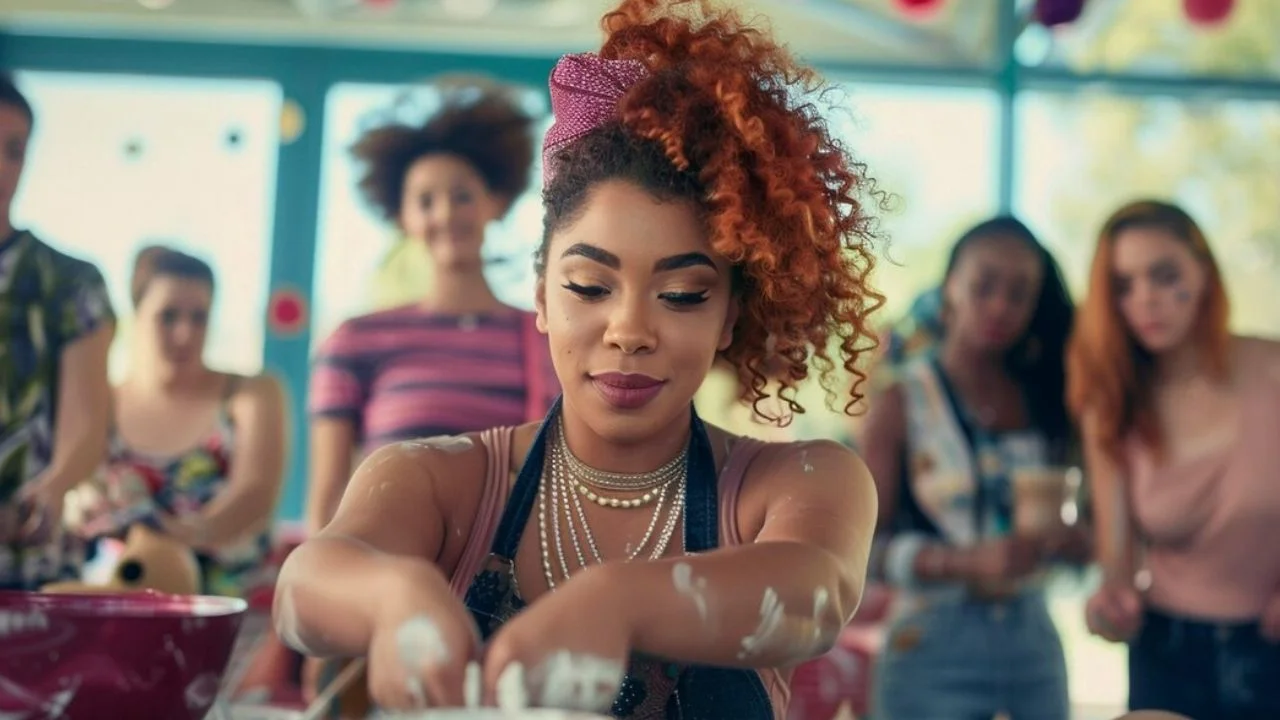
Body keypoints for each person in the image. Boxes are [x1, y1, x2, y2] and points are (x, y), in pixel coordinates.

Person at [273, 0, 882, 715]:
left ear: (731, 317)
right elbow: (303, 589)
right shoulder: (439, 482)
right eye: (590, 286)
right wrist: (392, 596)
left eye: (683, 294)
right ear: (540, 297)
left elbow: (815, 593)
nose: (629, 329)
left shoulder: (791, 484)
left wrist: (618, 600)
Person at [306, 78, 559, 536]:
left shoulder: (550, 337)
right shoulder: (353, 342)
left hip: (513, 587)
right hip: (383, 578)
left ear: (496, 203)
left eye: (461, 195)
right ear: (401, 217)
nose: (445, 214)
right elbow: (327, 498)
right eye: (425, 200)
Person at [859, 217, 1084, 720]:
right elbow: (862, 551)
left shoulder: (1047, 400)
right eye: (984, 285)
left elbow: (1080, 523)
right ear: (949, 288)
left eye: (1020, 293)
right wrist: (964, 563)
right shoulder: (900, 401)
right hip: (930, 646)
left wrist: (1074, 541)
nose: (1001, 305)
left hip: (1034, 644)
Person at [1069, 200, 1280, 720]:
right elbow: (1116, 560)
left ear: (1204, 274)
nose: (1146, 300)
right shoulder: (1111, 403)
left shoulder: (1272, 368)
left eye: (1164, 276)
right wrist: (1109, 605)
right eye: (1124, 285)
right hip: (1167, 654)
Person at [63, 245, 287, 599]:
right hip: (126, 602)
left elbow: (254, 494)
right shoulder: (99, 403)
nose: (185, 333)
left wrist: (172, 536)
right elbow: (72, 490)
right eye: (167, 316)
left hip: (232, 607)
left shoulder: (251, 393)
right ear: (136, 315)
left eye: (199, 318)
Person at [0, 73, 115, 590]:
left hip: (30, 572)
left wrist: (51, 488)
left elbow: (85, 424)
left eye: (15, 150)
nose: (2, 166)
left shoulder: (72, 283)